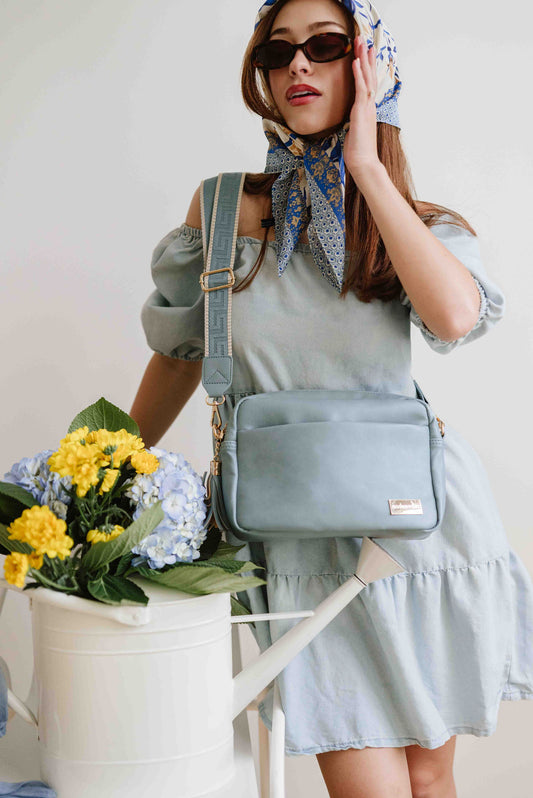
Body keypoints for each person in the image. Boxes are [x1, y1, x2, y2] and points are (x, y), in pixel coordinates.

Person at [130, 0, 533, 795]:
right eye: (279, 53)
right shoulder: (221, 209)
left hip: (416, 531)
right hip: (297, 540)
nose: (298, 67)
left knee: (427, 781)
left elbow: (454, 317)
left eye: (325, 45)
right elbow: (181, 356)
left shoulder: (407, 222)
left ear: (367, 64)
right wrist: (105, 474)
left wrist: (369, 170)